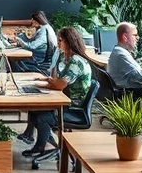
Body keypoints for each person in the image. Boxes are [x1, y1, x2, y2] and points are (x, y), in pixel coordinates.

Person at [22, 27, 93, 157]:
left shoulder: (76, 61)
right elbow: (56, 79)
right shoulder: (66, 57)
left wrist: (46, 84)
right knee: (33, 110)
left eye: (60, 40)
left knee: (41, 116)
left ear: (69, 41)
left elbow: (59, 85)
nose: (58, 43)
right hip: (65, 100)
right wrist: (56, 63)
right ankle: (47, 143)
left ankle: (44, 146)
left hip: (72, 107)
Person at [107, 22, 142, 102]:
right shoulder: (121, 54)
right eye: (135, 35)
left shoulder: (118, 51)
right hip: (130, 97)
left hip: (126, 94)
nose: (137, 38)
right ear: (125, 37)